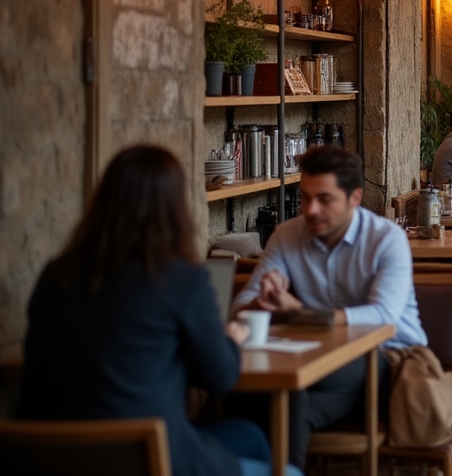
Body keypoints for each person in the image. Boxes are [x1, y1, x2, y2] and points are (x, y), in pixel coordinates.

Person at [17, 145, 298, 476]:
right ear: (174, 208)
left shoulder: (55, 275)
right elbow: (221, 377)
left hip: (50, 458)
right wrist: (231, 338)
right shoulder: (182, 280)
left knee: (249, 435)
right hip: (146, 458)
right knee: (289, 471)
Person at [232, 145, 426, 469]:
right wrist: (261, 300)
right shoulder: (286, 236)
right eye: (305, 197)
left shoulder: (386, 239)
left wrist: (297, 311)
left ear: (354, 198)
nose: (311, 210)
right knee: (242, 393)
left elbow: (383, 318)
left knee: (285, 400)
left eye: (325, 199)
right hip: (315, 356)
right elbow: (240, 306)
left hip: (390, 358)